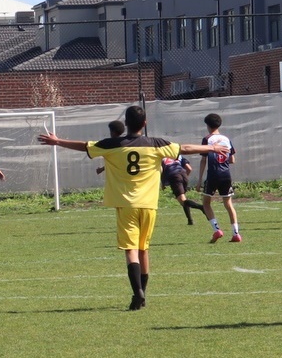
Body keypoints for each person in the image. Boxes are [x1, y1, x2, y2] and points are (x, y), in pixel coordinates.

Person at [38, 105, 228, 311]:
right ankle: (143, 294)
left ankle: (137, 292)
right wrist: (212, 148)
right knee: (144, 249)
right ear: (145, 124)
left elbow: (84, 146)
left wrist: (58, 142)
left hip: (126, 204)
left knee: (131, 250)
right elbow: (185, 148)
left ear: (126, 124)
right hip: (149, 205)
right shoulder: (156, 144)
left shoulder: (112, 144)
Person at [196, 113, 240, 243]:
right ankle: (236, 233)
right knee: (228, 204)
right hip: (226, 174)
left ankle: (217, 230)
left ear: (208, 125)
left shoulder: (207, 139)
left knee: (206, 203)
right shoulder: (226, 139)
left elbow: (204, 160)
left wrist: (199, 180)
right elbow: (232, 159)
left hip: (213, 174)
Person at [161, 155, 205, 225]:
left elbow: (161, 171)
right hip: (183, 174)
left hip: (174, 176)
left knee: (183, 201)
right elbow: (189, 169)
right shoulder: (178, 155)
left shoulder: (162, 159)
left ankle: (201, 207)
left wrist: (163, 184)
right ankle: (190, 221)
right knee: (183, 199)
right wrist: (184, 178)